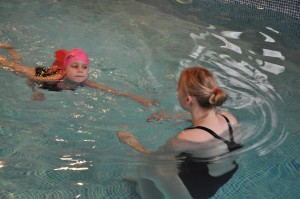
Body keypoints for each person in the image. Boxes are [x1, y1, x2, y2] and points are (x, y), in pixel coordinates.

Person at [117, 66, 243, 198]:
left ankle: (144, 192)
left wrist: (131, 142)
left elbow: (151, 158)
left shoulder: (185, 138)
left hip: (198, 191)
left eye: (179, 89)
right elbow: (205, 123)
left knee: (149, 166)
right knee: (175, 160)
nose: (177, 91)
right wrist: (173, 116)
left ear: (188, 100)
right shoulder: (228, 117)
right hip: (222, 176)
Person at [0, 42, 158, 106]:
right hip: (42, 75)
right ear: (65, 69)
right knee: (12, 67)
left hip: (55, 81)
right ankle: (10, 50)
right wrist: (34, 92)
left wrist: (139, 98)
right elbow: (31, 79)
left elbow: (112, 91)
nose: (80, 70)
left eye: (84, 67)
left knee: (15, 64)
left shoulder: (84, 82)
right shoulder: (55, 76)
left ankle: (12, 51)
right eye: (75, 66)